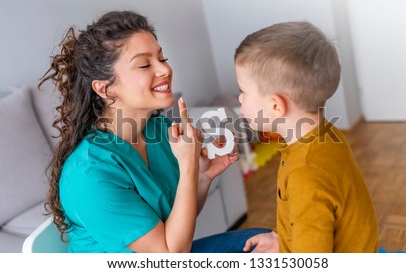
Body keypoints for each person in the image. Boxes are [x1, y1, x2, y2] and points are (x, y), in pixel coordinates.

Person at [40, 10, 269, 253]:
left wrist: (201, 177)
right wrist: (188, 166)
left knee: (267, 244)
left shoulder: (159, 130)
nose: (164, 70)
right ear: (105, 88)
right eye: (144, 64)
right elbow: (170, 257)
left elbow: (176, 223)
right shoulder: (89, 173)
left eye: (162, 58)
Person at [234, 21, 379, 252]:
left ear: (275, 105)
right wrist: (281, 238)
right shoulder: (325, 133)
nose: (239, 99)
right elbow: (313, 217)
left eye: (243, 91)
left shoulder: (306, 173)